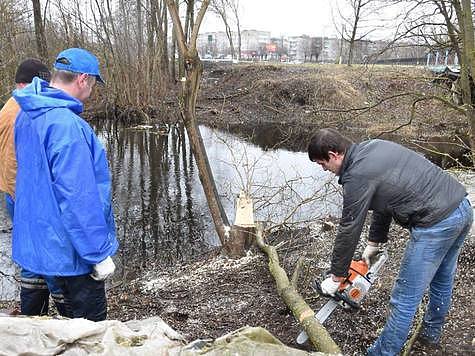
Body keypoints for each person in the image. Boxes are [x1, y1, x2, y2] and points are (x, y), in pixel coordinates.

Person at [307, 128, 472, 355]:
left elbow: (349, 228)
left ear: (334, 154)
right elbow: (384, 200)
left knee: (404, 298)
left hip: (436, 223)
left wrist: (336, 277)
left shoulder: (356, 176)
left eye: (322, 164)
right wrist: (374, 243)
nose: (324, 169)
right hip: (461, 208)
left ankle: (382, 353)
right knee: (442, 280)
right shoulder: (372, 148)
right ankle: (430, 335)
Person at [12, 48, 119, 321]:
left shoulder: (27, 114)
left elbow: (27, 180)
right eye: (93, 83)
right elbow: (78, 197)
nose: (92, 91)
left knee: (49, 334)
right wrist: (97, 253)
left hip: (38, 246)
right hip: (69, 257)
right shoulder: (67, 126)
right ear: (83, 79)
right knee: (89, 335)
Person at [0, 58, 70, 317]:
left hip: (11, 194)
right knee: (53, 259)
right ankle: (70, 316)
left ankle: (32, 317)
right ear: (36, 82)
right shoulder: (30, 109)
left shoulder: (8, 107)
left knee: (30, 258)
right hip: (31, 197)